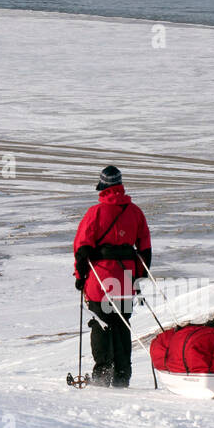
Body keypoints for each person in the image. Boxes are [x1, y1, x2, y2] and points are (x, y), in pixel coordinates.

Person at [73, 166, 151, 388]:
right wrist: (138, 279)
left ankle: (102, 374)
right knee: (122, 326)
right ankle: (122, 376)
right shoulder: (135, 212)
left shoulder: (94, 214)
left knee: (101, 324)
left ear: (103, 187)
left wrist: (80, 277)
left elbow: (81, 249)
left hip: (100, 280)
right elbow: (145, 249)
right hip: (125, 282)